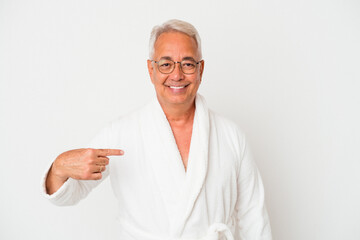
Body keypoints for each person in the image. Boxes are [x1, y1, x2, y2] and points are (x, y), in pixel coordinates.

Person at [41, 19, 272, 240]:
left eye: (188, 64)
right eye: (166, 64)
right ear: (151, 70)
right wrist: (59, 168)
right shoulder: (121, 134)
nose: (177, 74)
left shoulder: (231, 135)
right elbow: (69, 194)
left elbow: (254, 219)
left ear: (201, 70)